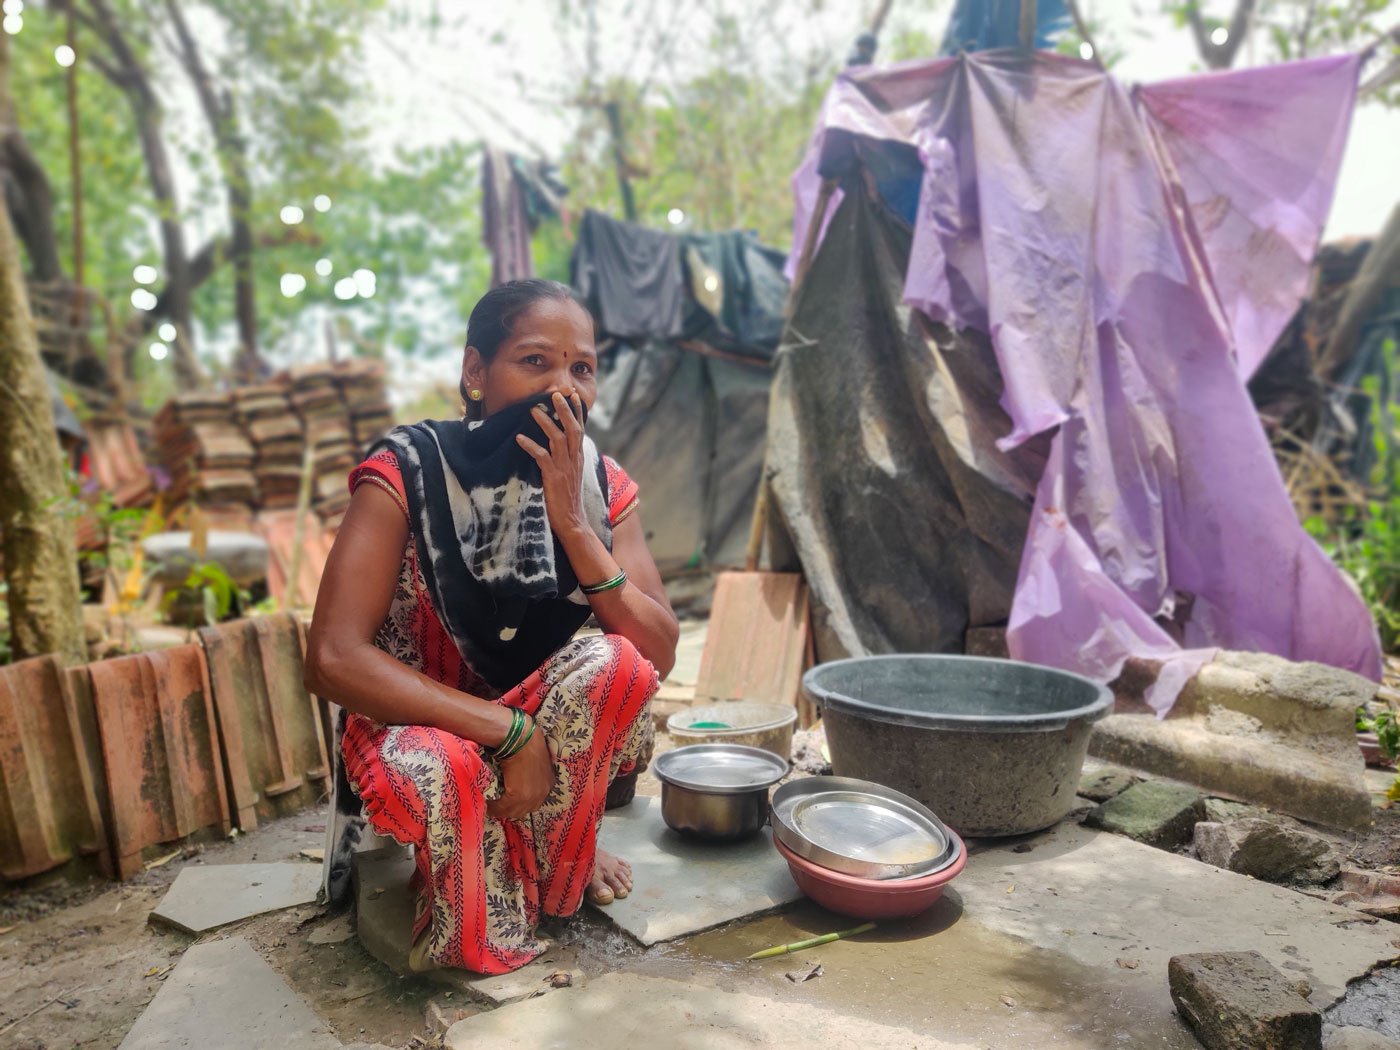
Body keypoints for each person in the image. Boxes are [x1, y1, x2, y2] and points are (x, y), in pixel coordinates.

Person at [305, 279, 679, 976]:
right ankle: (496, 868)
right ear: (475, 372)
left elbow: (657, 650)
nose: (562, 389)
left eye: (582, 368)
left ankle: (536, 865)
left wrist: (572, 524)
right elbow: (332, 658)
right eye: (535, 362)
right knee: (446, 768)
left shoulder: (599, 484)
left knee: (621, 669)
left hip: (534, 708)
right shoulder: (407, 471)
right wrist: (508, 731)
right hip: (411, 721)